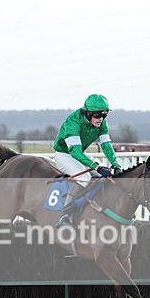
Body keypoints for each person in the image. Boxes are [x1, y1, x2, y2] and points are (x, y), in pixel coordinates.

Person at [53, 93, 122, 227]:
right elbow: (75, 151)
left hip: (80, 154)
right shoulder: (73, 122)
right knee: (85, 178)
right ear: (88, 113)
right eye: (97, 115)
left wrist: (115, 163)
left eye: (104, 115)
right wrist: (96, 166)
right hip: (64, 154)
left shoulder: (102, 123)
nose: (101, 119)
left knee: (107, 175)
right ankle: (65, 215)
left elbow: (106, 146)